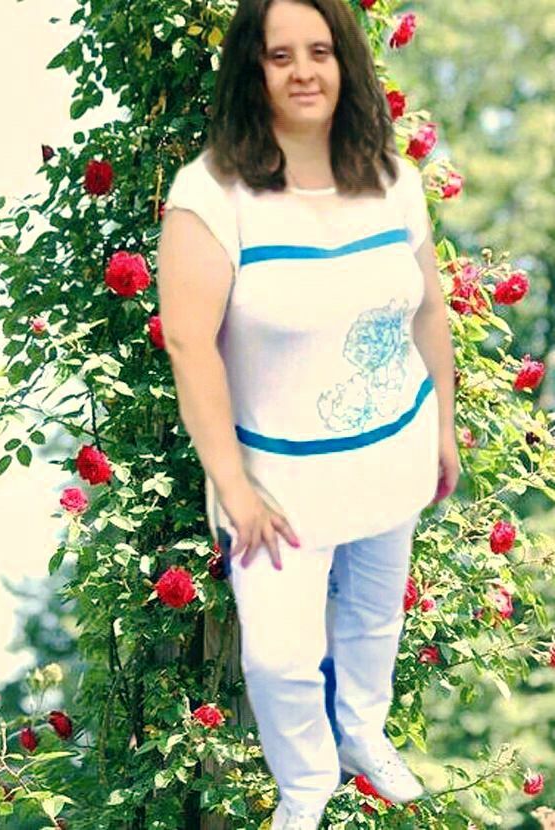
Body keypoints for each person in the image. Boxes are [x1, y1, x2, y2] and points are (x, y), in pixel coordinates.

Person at [157, 0, 456, 827]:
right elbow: (188, 343)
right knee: (280, 659)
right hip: (278, 485)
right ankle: (305, 787)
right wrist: (234, 488)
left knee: (372, 618)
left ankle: (361, 733)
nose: (302, 72)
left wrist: (440, 426)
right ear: (251, 70)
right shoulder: (211, 195)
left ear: (344, 62)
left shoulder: (390, 179)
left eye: (318, 51)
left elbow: (428, 307)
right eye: (279, 54)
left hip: (391, 451)